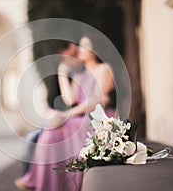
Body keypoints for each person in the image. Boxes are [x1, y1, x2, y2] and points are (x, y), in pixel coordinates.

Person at [15, 35, 115, 191]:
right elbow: (69, 100)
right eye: (80, 46)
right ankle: (48, 185)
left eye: (84, 46)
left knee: (62, 126)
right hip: (80, 118)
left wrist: (67, 115)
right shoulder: (79, 75)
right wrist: (62, 71)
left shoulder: (104, 68)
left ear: (95, 49)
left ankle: (45, 181)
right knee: (49, 134)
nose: (79, 49)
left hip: (98, 118)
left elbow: (98, 100)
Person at [21, 41, 81, 175]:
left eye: (75, 53)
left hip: (71, 118)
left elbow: (71, 100)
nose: (74, 56)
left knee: (37, 139)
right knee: (31, 138)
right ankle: (29, 177)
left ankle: (32, 179)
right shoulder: (62, 72)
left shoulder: (75, 73)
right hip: (58, 117)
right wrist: (52, 115)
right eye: (71, 53)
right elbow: (52, 101)